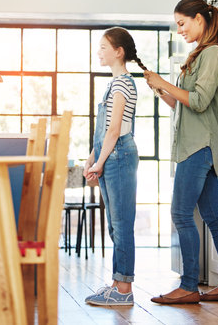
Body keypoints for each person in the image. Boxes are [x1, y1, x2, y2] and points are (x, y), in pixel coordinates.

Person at [144, 0, 218, 305]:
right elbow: (181, 105)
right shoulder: (199, 55)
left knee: (182, 214)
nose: (180, 30)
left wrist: (166, 83)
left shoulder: (213, 53)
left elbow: (199, 102)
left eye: (182, 23)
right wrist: (159, 88)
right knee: (213, 215)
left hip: (199, 146)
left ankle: (188, 286)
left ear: (200, 18)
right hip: (196, 144)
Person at [83, 27, 146, 306]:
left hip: (119, 154)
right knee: (114, 225)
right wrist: (90, 159)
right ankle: (117, 284)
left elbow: (114, 131)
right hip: (112, 154)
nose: (99, 52)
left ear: (118, 52)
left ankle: (124, 290)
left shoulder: (123, 84)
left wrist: (99, 162)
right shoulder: (113, 83)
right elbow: (104, 131)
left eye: (103, 47)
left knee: (122, 225)